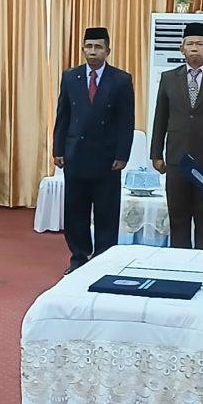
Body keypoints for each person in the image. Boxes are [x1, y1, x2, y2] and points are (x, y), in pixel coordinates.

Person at [53, 27, 134, 275]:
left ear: (108, 50)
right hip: (75, 154)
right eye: (88, 47)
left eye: (98, 47)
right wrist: (58, 149)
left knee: (106, 211)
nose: (93, 52)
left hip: (106, 157)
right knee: (75, 210)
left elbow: (126, 120)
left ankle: (103, 258)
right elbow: (63, 115)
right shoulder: (70, 77)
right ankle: (78, 257)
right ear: (83, 49)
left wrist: (122, 154)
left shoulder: (121, 80)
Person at [150, 22, 203, 249]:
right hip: (177, 158)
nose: (194, 48)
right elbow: (160, 118)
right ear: (182, 49)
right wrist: (156, 154)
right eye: (189, 44)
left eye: (199, 44)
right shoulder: (169, 78)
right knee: (178, 217)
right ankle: (180, 262)